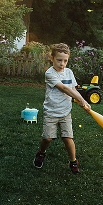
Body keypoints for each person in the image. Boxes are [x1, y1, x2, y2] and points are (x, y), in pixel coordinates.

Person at [33, 43, 91, 174]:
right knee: (48, 138)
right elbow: (64, 88)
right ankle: (41, 152)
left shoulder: (69, 72)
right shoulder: (49, 73)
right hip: (51, 112)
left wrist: (82, 101)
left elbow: (72, 89)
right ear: (52, 58)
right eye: (59, 60)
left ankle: (73, 161)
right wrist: (82, 100)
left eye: (65, 61)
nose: (62, 64)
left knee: (68, 138)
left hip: (65, 112)